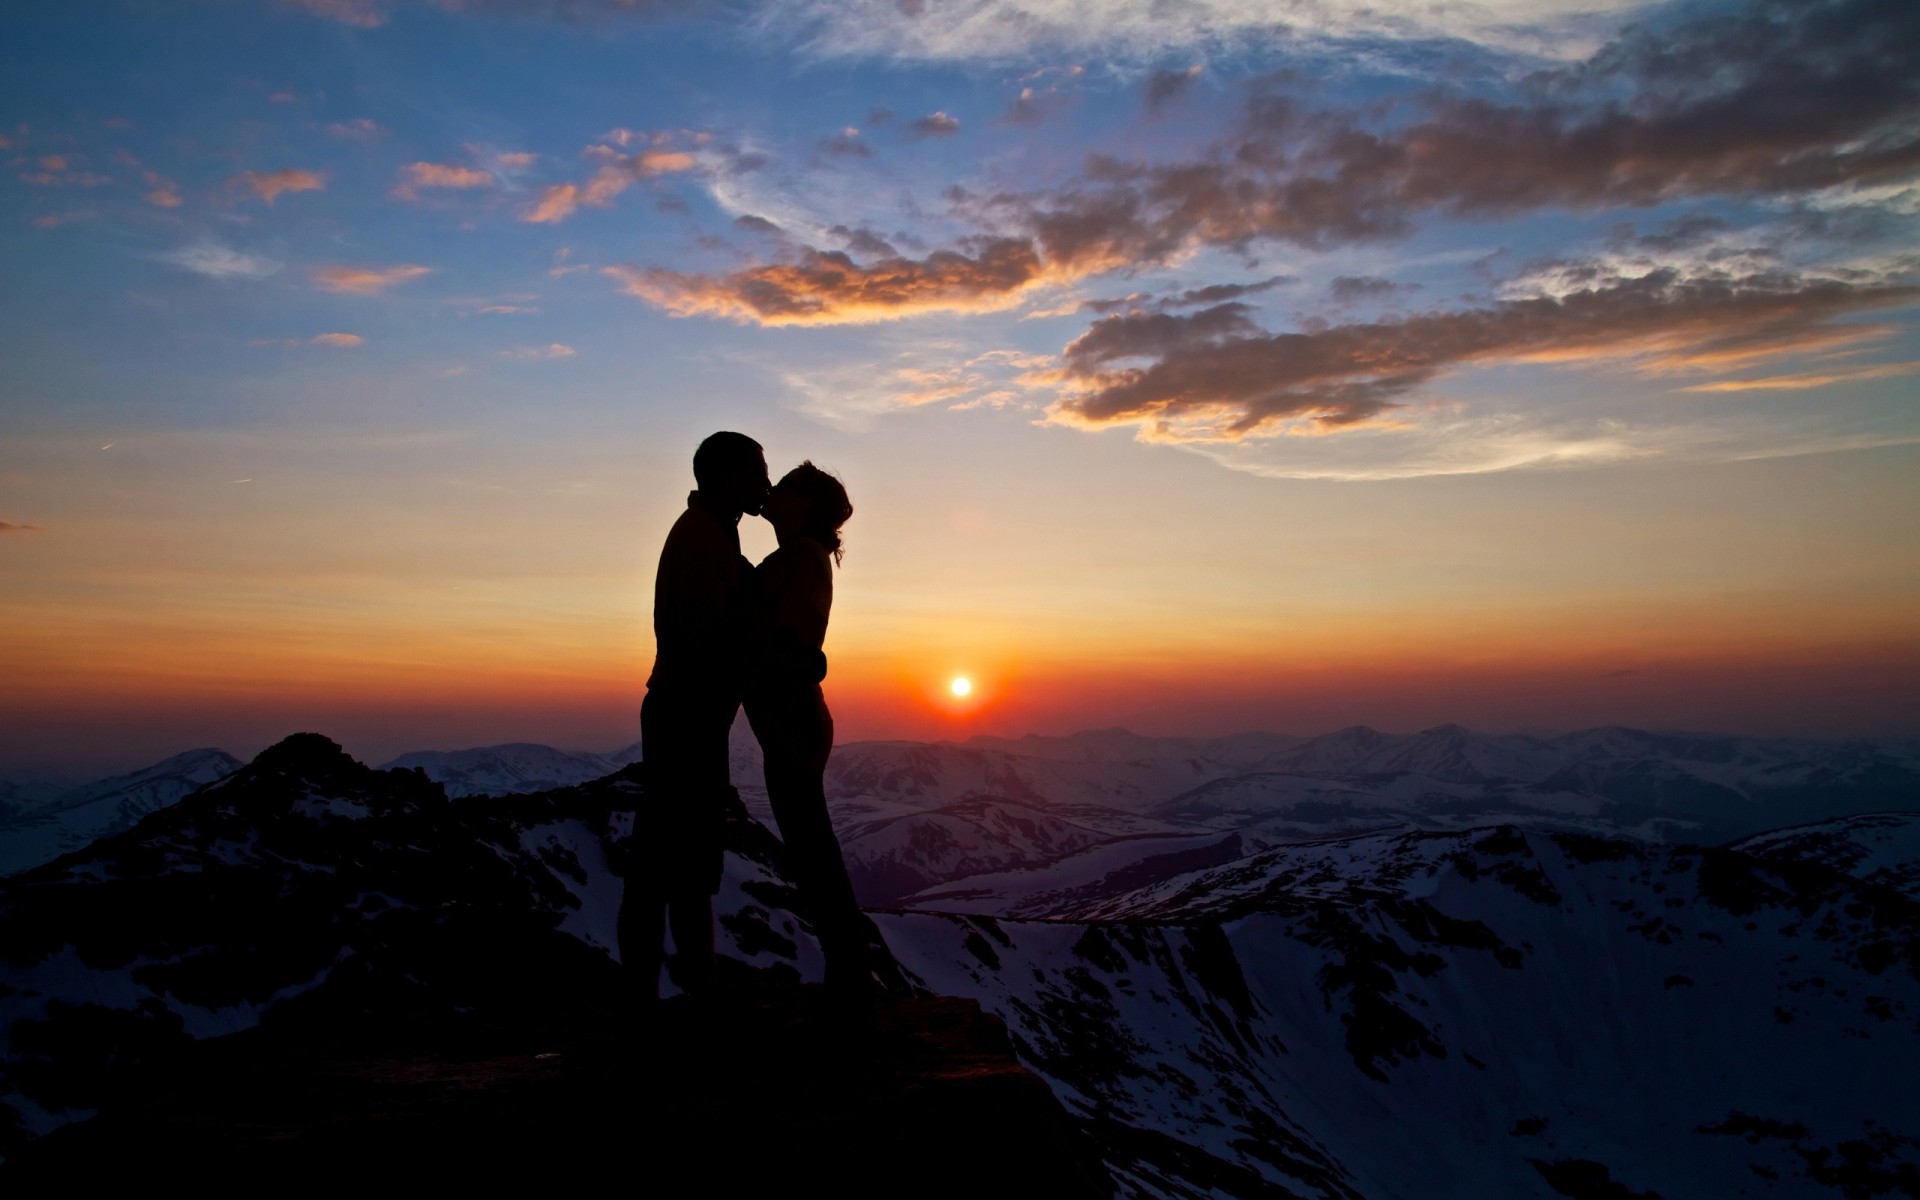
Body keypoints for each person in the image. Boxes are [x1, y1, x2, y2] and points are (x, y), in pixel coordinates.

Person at [618, 431, 769, 1002]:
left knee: (676, 865)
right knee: (668, 867)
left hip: (688, 715)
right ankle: (669, 1000)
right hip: (687, 717)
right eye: (756, 471)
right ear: (726, 475)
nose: (765, 483)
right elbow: (713, 636)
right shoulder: (704, 538)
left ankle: (670, 996)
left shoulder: (716, 534)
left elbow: (753, 594)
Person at [742, 462, 872, 997]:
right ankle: (848, 977)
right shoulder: (799, 557)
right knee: (813, 851)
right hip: (792, 719)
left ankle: (849, 981)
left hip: (792, 721)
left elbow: (788, 643)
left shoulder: (799, 558)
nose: (775, 490)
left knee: (814, 854)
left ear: (805, 506)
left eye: (788, 486)